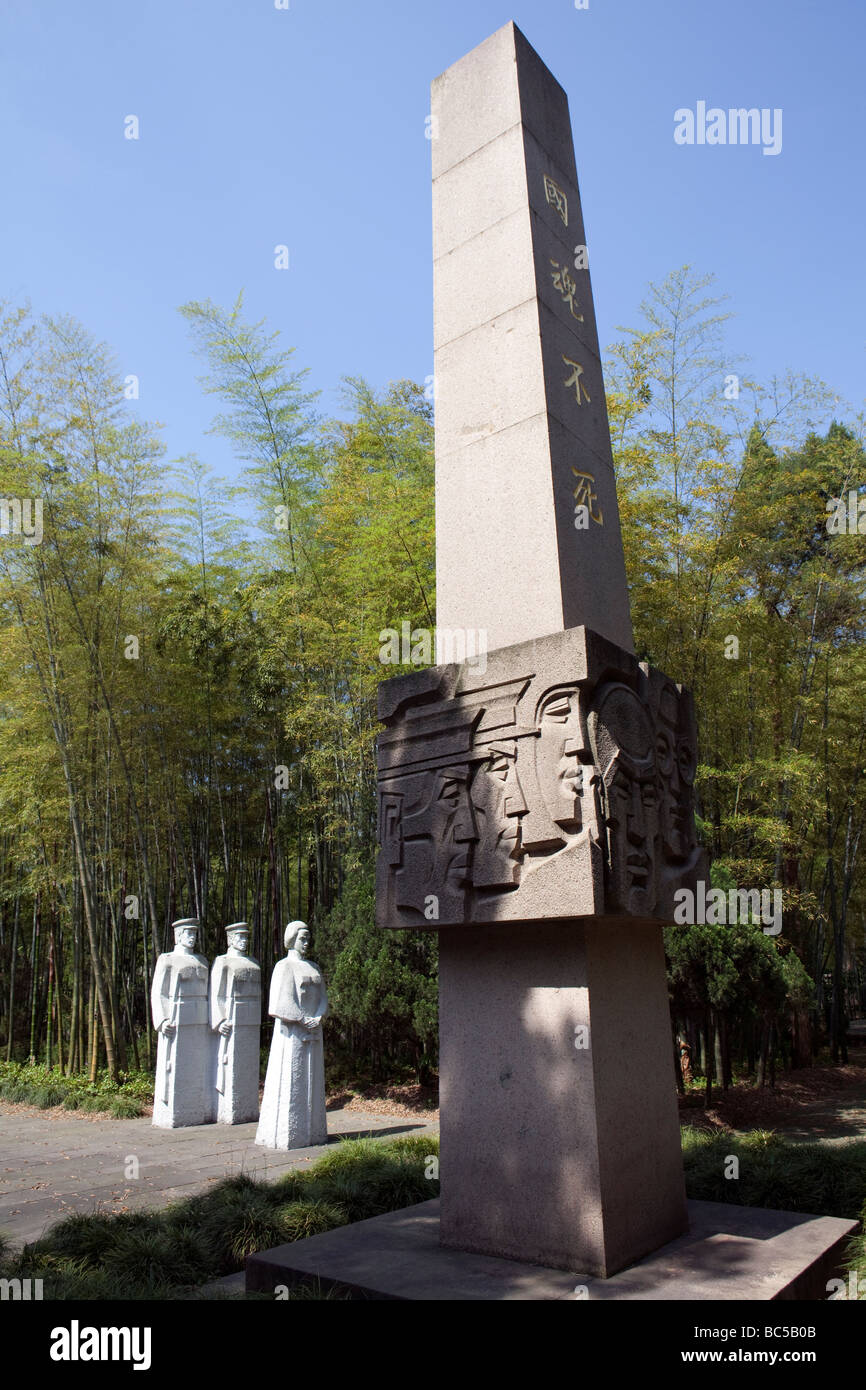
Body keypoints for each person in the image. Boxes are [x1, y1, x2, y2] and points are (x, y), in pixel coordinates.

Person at [255, 921, 328, 1149]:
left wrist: (318, 1015)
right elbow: (279, 1002)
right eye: (302, 938)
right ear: (291, 939)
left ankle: (314, 1132)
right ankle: (289, 1135)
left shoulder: (314, 967)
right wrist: (302, 1018)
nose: (306, 943)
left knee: (312, 1080)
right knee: (291, 1079)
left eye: (308, 938)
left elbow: (324, 997)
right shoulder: (283, 966)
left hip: (314, 1030)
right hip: (293, 1032)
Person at [151, 918, 211, 1128]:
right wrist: (162, 1019)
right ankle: (174, 1114)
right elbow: (158, 992)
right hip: (177, 1019)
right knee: (175, 1067)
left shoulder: (202, 961)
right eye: (188, 933)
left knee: (197, 1066)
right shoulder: (167, 960)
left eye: (194, 933)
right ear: (178, 935)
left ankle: (195, 1110)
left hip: (200, 1019)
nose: (192, 937)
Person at [210, 922, 262, 1124]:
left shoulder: (253, 963)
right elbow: (217, 993)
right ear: (230, 939)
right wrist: (220, 1019)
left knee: (248, 1066)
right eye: (240, 937)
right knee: (230, 1065)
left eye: (246, 937)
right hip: (232, 1019)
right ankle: (230, 1111)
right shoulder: (223, 962)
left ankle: (248, 1108)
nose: (244, 941)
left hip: (251, 1020)